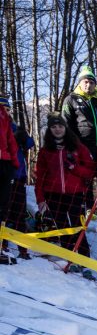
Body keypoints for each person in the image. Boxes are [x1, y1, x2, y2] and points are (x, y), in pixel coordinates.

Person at [33, 114, 96, 276]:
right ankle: (69, 259)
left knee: (77, 226)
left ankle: (84, 261)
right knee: (62, 227)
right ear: (50, 130)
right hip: (53, 195)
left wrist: (74, 168)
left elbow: (90, 171)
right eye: (54, 127)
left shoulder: (78, 147)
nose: (57, 129)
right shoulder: (45, 151)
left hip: (75, 194)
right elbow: (39, 177)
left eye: (60, 126)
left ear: (65, 128)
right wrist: (40, 199)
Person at [0, 95, 31, 261]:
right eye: (1, 108)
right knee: (4, 211)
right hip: (5, 174)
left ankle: (23, 247)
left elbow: (30, 144)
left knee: (20, 212)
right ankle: (3, 244)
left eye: (7, 109)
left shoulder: (15, 127)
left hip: (19, 176)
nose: (4, 111)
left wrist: (23, 136)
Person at [61, 64, 97, 160]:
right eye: (85, 82)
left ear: (95, 85)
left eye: (91, 82)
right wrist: (74, 145)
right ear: (80, 83)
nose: (88, 85)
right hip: (83, 147)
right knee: (85, 174)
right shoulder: (71, 99)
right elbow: (66, 124)